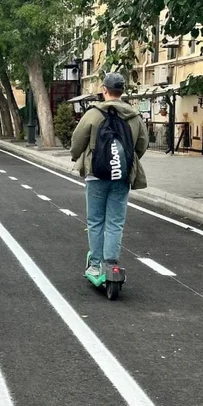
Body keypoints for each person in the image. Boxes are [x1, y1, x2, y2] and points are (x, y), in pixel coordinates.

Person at [70, 72, 148, 276]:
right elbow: (142, 144)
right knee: (115, 222)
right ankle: (110, 262)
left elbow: (77, 141)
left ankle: (95, 264)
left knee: (95, 221)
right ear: (122, 91)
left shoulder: (93, 114)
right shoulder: (134, 116)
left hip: (96, 175)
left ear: (104, 90)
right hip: (121, 176)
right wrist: (125, 161)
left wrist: (76, 155)